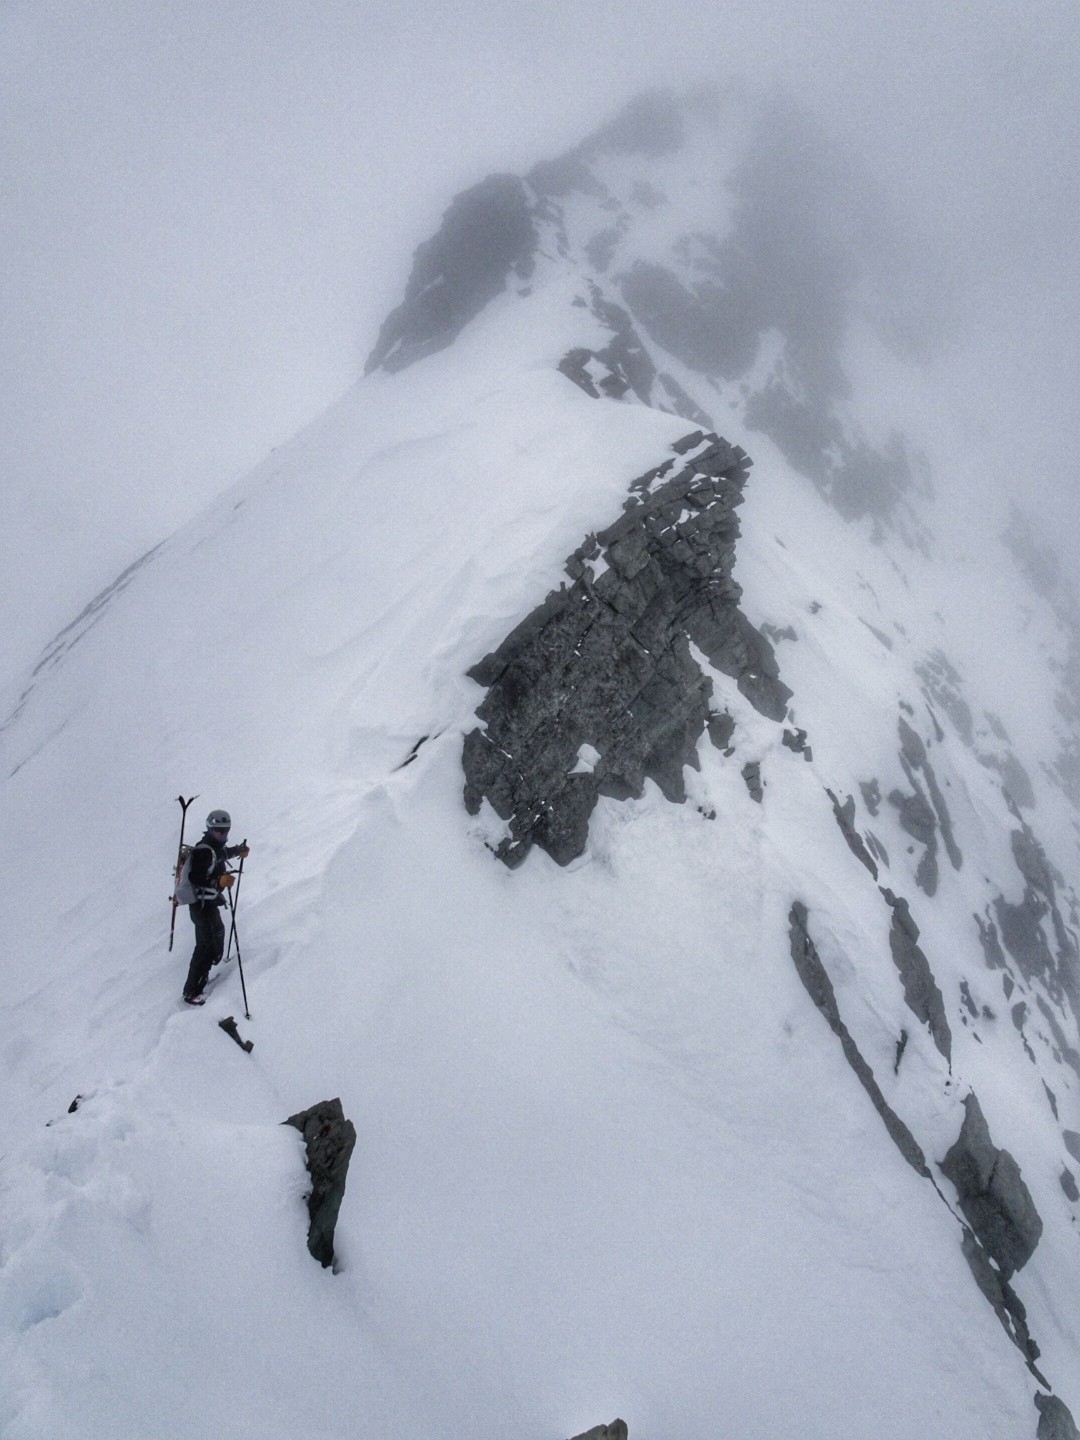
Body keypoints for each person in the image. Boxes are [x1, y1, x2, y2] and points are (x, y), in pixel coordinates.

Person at [182, 809, 250, 1005]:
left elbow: (221, 855)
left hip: (207, 904)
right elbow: (196, 877)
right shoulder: (203, 850)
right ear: (209, 829)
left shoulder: (214, 847)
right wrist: (218, 882)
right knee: (207, 948)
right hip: (201, 906)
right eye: (218, 830)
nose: (222, 834)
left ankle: (198, 981)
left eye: (225, 830)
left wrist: (238, 850)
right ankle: (191, 992)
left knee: (211, 943)